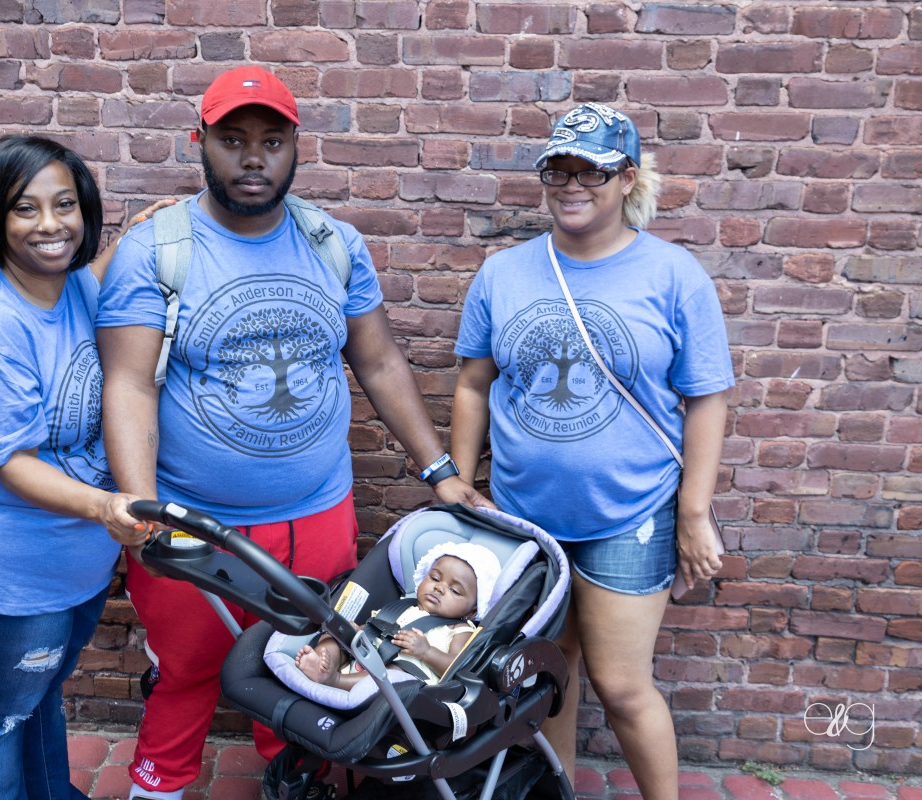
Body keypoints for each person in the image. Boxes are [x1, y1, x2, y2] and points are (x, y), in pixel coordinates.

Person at [95, 65, 489, 800]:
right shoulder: (157, 250)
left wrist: (440, 470)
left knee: (310, 669)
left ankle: (297, 784)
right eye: (234, 140)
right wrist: (144, 509)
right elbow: (128, 382)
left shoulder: (332, 243)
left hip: (317, 517)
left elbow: (378, 359)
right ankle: (159, 788)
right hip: (193, 524)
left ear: (295, 147)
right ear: (200, 142)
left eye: (271, 142)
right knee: (186, 674)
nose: (253, 158)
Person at [449, 103, 733, 800]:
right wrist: (459, 483)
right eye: (559, 171)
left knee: (621, 684)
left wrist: (693, 512)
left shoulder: (673, 276)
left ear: (627, 177)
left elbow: (707, 399)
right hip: (524, 515)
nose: (572, 186)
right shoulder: (504, 274)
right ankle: (560, 792)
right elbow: (473, 384)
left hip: (628, 514)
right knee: (547, 677)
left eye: (592, 172)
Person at [0, 135, 151, 800]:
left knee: (43, 692)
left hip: (73, 557)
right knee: (2, 712)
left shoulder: (71, 283)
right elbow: (10, 464)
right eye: (26, 208)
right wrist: (105, 505)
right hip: (14, 565)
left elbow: (94, 277)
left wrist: (134, 239)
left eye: (65, 204)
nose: (51, 224)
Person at [295, 542, 500, 689]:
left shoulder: (460, 630)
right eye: (435, 578)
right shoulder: (402, 606)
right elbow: (375, 629)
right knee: (334, 637)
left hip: (402, 681)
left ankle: (334, 681)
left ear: (472, 611)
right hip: (364, 659)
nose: (439, 588)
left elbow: (458, 666)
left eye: (454, 590)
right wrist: (357, 632)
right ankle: (321, 664)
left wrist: (426, 652)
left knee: (395, 674)